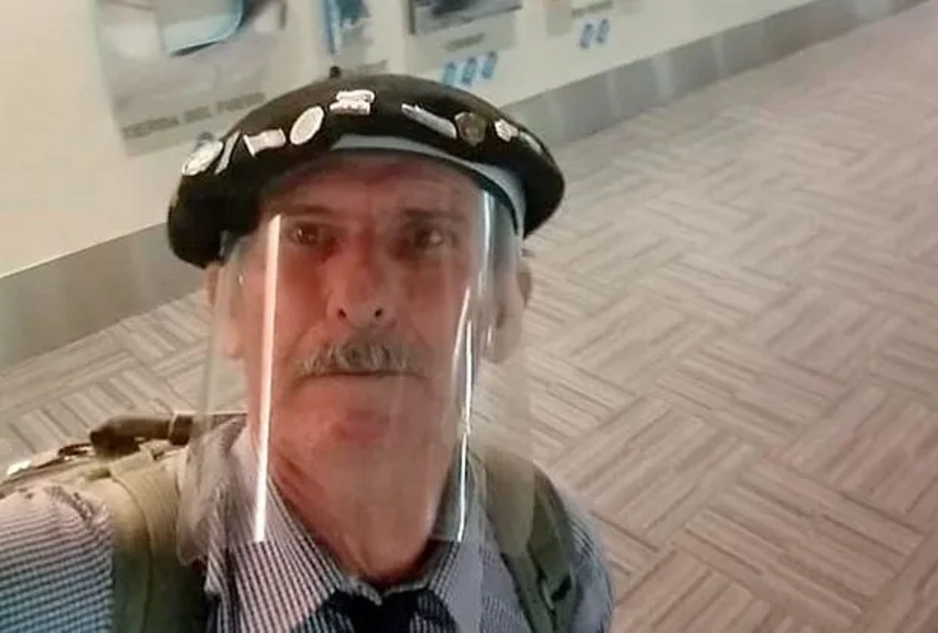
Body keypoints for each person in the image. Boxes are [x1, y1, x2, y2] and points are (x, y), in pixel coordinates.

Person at [0, 71, 614, 632]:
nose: (361, 300)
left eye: (427, 237)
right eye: (306, 235)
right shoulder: (55, 580)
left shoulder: (558, 554)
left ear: (504, 307)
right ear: (228, 306)